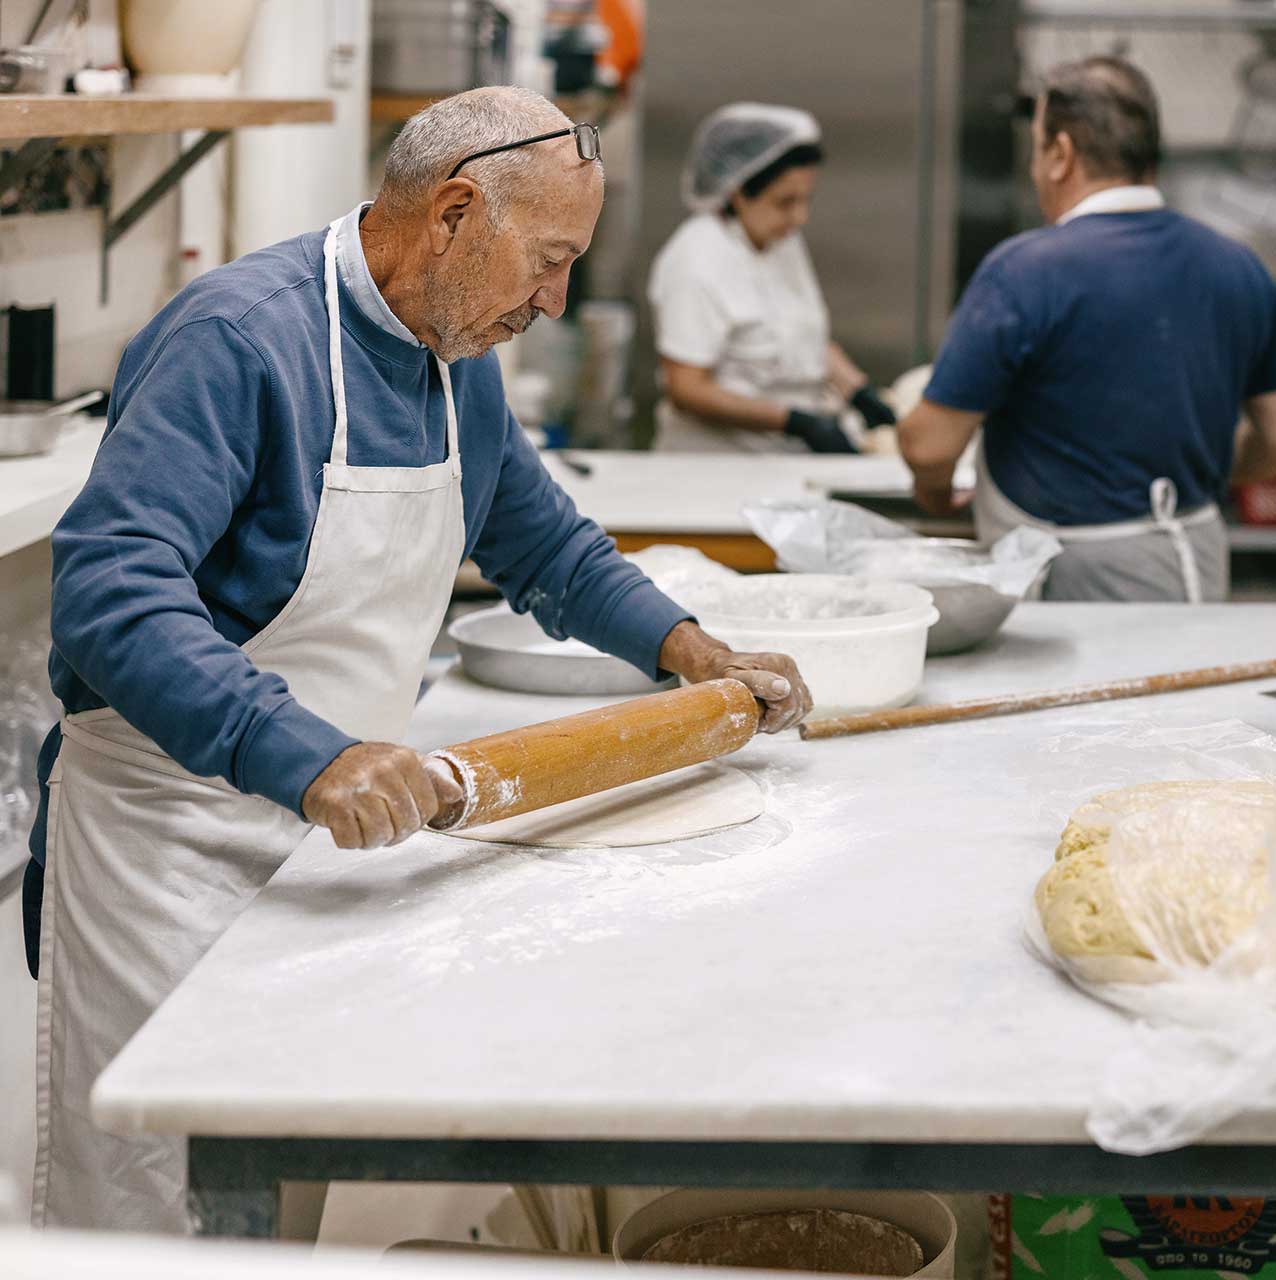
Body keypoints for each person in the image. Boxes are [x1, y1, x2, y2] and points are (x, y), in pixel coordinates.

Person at [26, 86, 813, 1233]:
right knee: (167, 1214)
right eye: (546, 262)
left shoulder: (455, 355)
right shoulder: (241, 340)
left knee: (285, 1185)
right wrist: (300, 751)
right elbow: (105, 592)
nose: (553, 300)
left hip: (340, 829)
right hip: (175, 842)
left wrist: (689, 649)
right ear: (452, 214)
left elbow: (542, 539)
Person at [896, 56, 1276, 603]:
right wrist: (1193, 471)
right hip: (1194, 564)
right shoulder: (1235, 264)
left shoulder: (1026, 269)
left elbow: (929, 444)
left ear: (1060, 155)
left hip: (1069, 582)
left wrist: (932, 494)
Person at [646, 103, 894, 454]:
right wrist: (794, 422)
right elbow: (686, 388)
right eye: (785, 202)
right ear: (737, 192)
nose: (800, 216)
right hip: (717, 468)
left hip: (784, 460)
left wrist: (859, 393)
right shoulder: (695, 261)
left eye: (806, 199)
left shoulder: (780, 240)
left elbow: (801, 336)